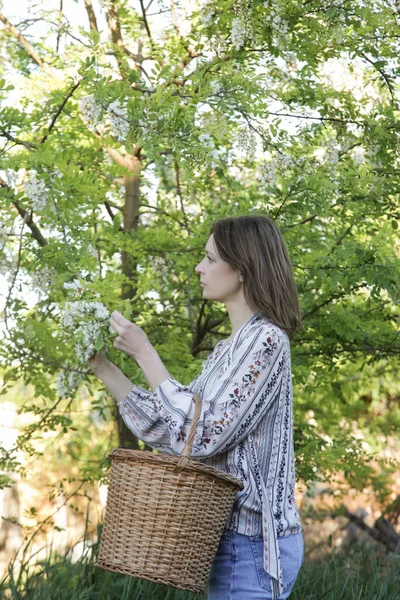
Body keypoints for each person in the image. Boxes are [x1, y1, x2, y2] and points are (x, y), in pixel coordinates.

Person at [88, 214, 304, 600]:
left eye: (209, 258)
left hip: (254, 545)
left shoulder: (267, 342)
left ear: (241, 269)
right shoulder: (227, 351)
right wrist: (104, 368)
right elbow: (175, 433)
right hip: (228, 541)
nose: (198, 267)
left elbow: (205, 435)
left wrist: (146, 354)